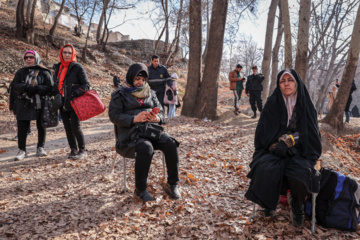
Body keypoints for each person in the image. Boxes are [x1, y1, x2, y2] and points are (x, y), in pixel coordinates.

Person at [245, 69, 322, 227]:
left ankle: (297, 205)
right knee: (265, 167)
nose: (286, 83)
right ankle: (267, 203)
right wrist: (276, 144)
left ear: (297, 83)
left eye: (290, 80)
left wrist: (291, 141)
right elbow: (263, 132)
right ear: (279, 84)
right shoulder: (272, 102)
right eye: (282, 81)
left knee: (300, 173)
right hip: (273, 148)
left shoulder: (306, 105)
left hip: (301, 150)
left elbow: (311, 134)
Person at [109, 62, 181, 202]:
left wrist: (157, 118)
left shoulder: (150, 92)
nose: (140, 82)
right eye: (137, 79)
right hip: (131, 133)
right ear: (131, 78)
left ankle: (172, 184)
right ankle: (140, 191)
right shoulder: (119, 94)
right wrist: (133, 119)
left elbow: (161, 114)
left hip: (151, 130)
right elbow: (114, 116)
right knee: (146, 147)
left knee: (171, 143)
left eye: (143, 79)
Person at [11, 50, 54, 161]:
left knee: (41, 125)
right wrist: (26, 87)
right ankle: (22, 150)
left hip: (41, 103)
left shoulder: (44, 72)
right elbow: (14, 86)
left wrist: (37, 89)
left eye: (31, 57)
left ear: (36, 58)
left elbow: (51, 88)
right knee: (22, 127)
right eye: (26, 58)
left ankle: (40, 148)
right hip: (23, 103)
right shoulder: (20, 72)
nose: (29, 59)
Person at [53, 44, 90, 160]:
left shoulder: (78, 67)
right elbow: (56, 84)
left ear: (73, 54)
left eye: (69, 53)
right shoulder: (58, 67)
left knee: (75, 126)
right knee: (67, 128)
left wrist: (74, 94)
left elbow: (86, 85)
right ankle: (73, 149)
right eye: (65, 52)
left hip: (74, 102)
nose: (67, 55)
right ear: (61, 53)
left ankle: (82, 150)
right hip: (62, 102)